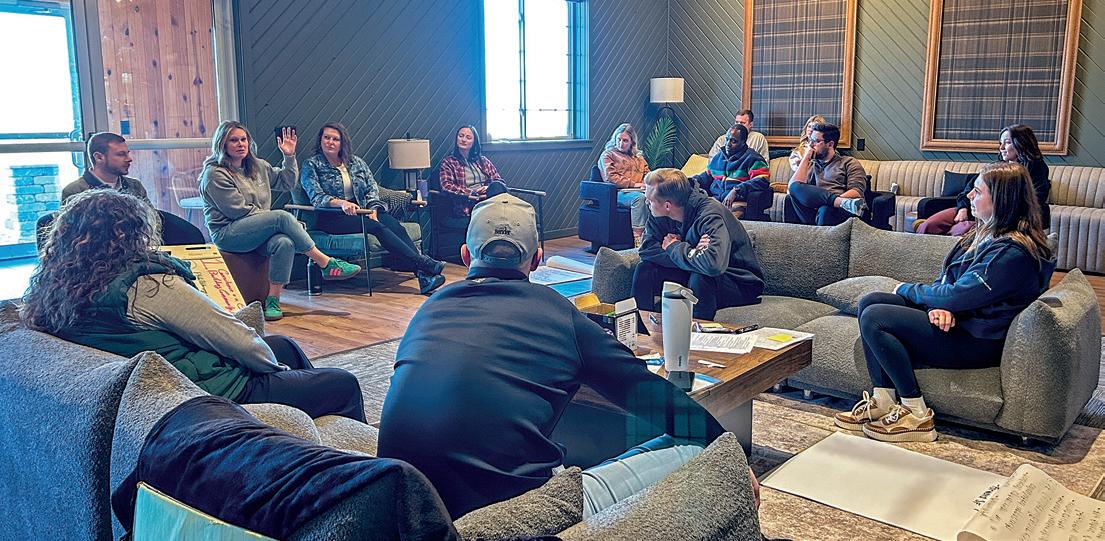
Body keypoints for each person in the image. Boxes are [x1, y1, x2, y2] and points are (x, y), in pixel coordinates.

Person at [377, 193, 736, 519]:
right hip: (514, 516)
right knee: (697, 449)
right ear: (537, 259)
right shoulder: (558, 313)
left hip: (402, 508)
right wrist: (729, 454)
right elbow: (651, 394)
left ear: (465, 256)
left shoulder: (429, 309)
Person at [21, 189, 367, 422]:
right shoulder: (147, 285)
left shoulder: (60, 289)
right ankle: (356, 460)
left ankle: (308, 429)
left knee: (284, 345)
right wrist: (278, 373)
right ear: (132, 234)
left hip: (157, 383)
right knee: (341, 383)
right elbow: (234, 337)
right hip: (210, 391)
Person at [835, 162, 1055, 443]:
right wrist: (938, 305)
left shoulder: (1013, 254)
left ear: (1002, 200)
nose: (970, 196)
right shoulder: (983, 232)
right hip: (963, 320)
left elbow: (959, 294)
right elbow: (948, 281)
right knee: (871, 300)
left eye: (978, 192)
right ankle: (884, 400)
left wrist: (912, 291)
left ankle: (915, 413)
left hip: (978, 339)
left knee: (875, 317)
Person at [199, 121, 361, 321]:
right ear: (222, 144)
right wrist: (276, 223)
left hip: (257, 229)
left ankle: (273, 300)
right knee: (282, 217)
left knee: (284, 242)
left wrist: (289, 156)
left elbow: (288, 182)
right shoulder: (215, 174)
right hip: (228, 233)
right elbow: (237, 212)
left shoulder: (258, 166)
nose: (240, 144)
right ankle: (324, 262)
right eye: (233, 140)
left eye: (243, 139)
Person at [301, 122, 446, 295]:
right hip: (333, 216)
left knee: (394, 225)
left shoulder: (356, 162)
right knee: (376, 227)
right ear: (320, 140)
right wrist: (341, 203)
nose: (330, 142)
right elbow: (316, 197)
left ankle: (423, 276)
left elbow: (372, 188)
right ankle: (424, 264)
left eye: (335, 139)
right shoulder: (312, 165)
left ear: (342, 143)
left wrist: (373, 208)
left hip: (361, 211)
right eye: (326, 138)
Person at [633, 168, 764, 321]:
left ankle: (697, 332)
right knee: (645, 269)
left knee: (701, 276)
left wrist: (674, 247)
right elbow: (646, 250)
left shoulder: (710, 214)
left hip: (738, 281)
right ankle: (639, 327)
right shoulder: (658, 213)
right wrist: (693, 255)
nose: (646, 203)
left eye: (650, 200)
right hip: (693, 271)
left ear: (667, 205)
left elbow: (712, 265)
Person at [57, 132, 199, 246]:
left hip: (137, 252)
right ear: (99, 157)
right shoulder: (75, 191)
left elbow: (152, 221)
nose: (129, 158)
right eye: (121, 154)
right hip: (96, 258)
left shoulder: (135, 186)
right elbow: (73, 236)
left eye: (128, 153)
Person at [918, 124, 1050, 236]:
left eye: (1007, 143)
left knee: (959, 231)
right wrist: (962, 208)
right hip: (971, 208)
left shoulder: (1036, 168)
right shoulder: (996, 167)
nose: (1001, 148)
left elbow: (1034, 200)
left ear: (1021, 143)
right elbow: (969, 190)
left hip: (996, 217)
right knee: (928, 226)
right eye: (1001, 143)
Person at [787, 122, 869, 225]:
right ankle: (838, 202)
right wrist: (806, 158)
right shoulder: (810, 164)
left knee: (825, 209)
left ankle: (838, 203)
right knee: (792, 192)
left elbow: (856, 192)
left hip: (838, 211)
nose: (811, 145)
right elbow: (793, 187)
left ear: (830, 144)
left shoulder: (848, 163)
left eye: (816, 141)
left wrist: (830, 203)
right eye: (810, 140)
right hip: (813, 210)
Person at [691, 124, 771, 219]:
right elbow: (707, 176)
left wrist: (736, 190)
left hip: (738, 203)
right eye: (727, 139)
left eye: (733, 141)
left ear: (743, 142)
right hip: (715, 202)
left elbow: (762, 180)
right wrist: (689, 181)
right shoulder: (718, 157)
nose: (728, 144)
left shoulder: (753, 158)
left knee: (723, 220)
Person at [437, 125, 508, 217]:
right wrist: (472, 193)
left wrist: (488, 188)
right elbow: (447, 186)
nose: (463, 140)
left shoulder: (483, 161)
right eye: (461, 136)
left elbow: (499, 182)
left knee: (498, 188)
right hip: (468, 204)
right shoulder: (449, 162)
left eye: (468, 137)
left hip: (489, 200)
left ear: (474, 142)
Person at [598, 123, 650, 241]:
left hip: (639, 191)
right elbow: (610, 177)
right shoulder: (608, 155)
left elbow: (647, 174)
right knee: (639, 199)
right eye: (619, 139)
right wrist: (634, 184)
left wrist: (647, 185)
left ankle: (654, 237)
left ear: (632, 142)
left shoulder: (639, 158)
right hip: (617, 193)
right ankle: (638, 239)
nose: (621, 143)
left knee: (656, 197)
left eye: (625, 141)